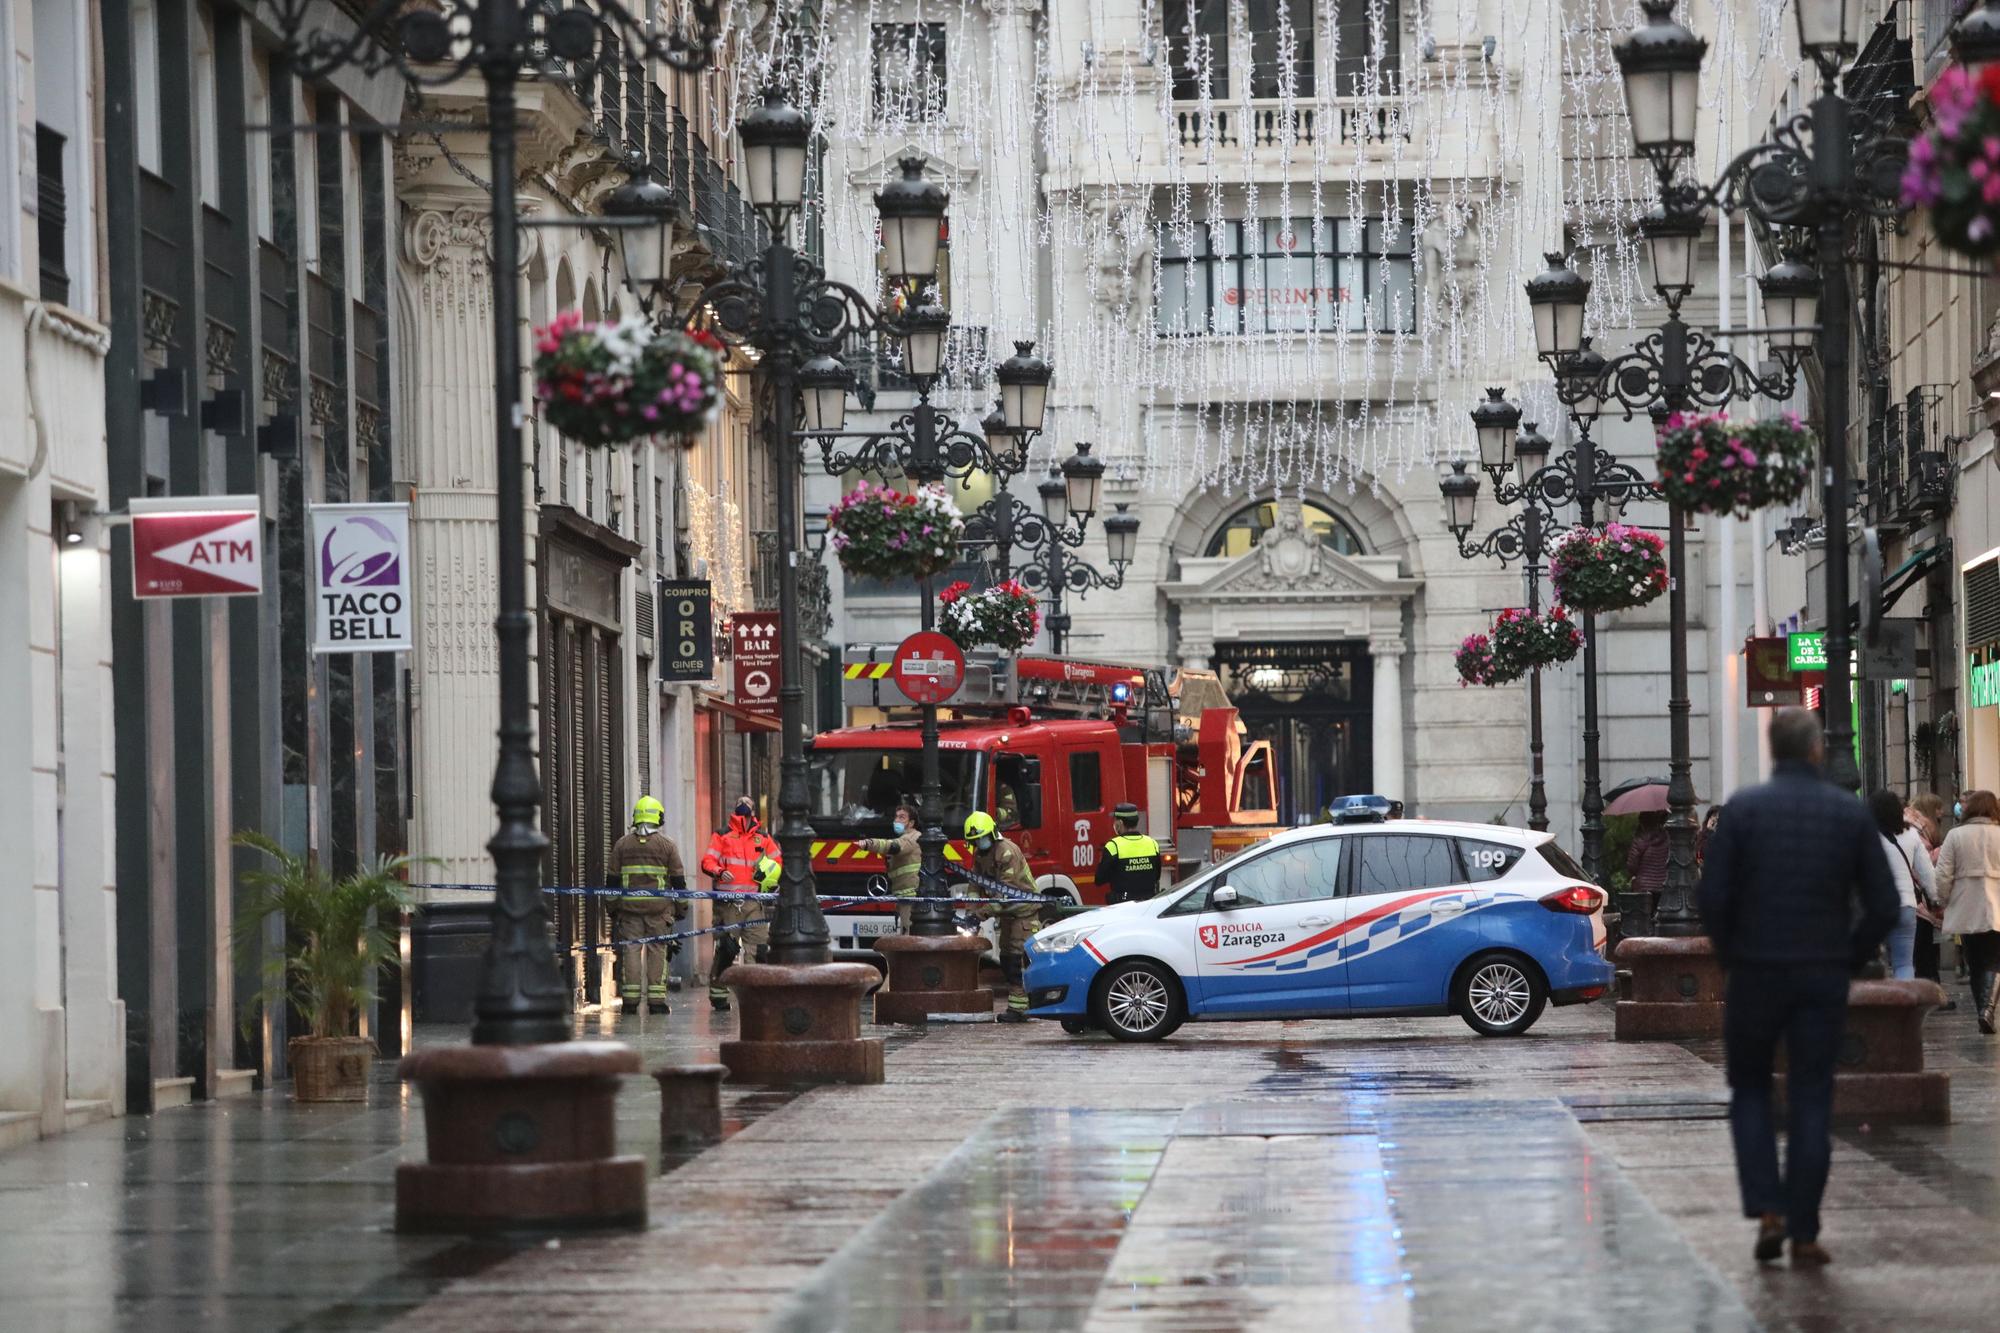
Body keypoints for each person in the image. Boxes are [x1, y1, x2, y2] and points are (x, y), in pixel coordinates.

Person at [1697, 708, 1898, 1268]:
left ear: (1772, 749)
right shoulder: (1847, 813)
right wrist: (1847, 956)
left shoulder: (1742, 812)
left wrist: (1733, 953)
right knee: (1813, 1095)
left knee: (1753, 1092)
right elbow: (1884, 905)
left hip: (1755, 972)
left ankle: (1767, 1210)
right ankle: (1806, 1231)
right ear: (1815, 750)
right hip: (1820, 974)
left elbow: (1712, 898)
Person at [700, 795, 780, 1012]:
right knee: (727, 949)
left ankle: (757, 995)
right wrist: (719, 871)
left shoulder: (762, 838)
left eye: (748, 806)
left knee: (759, 950)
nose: (745, 809)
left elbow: (778, 861)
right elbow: (707, 862)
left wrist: (771, 879)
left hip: (754, 903)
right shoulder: (722, 836)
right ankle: (718, 995)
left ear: (754, 812)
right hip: (728, 904)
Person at [608, 796, 687, 1014]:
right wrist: (682, 909)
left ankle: (630, 1001)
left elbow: (612, 882)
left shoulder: (622, 844)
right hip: (659, 912)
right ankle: (656, 1002)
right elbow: (678, 881)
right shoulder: (667, 846)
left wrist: (612, 908)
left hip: (629, 911)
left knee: (631, 951)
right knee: (657, 951)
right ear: (658, 817)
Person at [965, 811, 1039, 1023]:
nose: (979, 843)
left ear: (992, 833)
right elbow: (974, 885)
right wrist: (970, 912)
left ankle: (1021, 1008)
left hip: (1024, 911)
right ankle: (1020, 1005)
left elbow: (1006, 895)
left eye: (981, 837)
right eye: (974, 840)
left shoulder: (1007, 852)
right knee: (1006, 959)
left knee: (1017, 960)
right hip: (1008, 914)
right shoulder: (980, 854)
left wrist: (980, 914)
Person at [1936, 790, 2000, 1033]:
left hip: (1966, 905)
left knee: (1975, 961)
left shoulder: (1956, 835)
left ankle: (1982, 1010)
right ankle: (1988, 1009)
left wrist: (1941, 899)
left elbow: (1943, 873)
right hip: (1997, 905)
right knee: (1995, 960)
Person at [1870, 790, 1936, 982]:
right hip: (1906, 905)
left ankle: (1877, 1004)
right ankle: (1904, 1007)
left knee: (1873, 962)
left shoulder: (1866, 835)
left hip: (1876, 905)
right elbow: (1927, 874)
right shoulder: (1912, 835)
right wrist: (1936, 897)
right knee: (1904, 963)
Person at [1907, 792, 1949, 992]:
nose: (1943, 812)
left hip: (1912, 900)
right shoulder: (1918, 831)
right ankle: (1927, 992)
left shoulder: (1912, 828)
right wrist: (1943, 851)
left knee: (1915, 951)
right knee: (1922, 950)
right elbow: (1922, 866)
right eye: (1939, 807)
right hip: (1918, 901)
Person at [858, 803, 922, 933]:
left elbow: (894, 846)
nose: (897, 820)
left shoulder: (913, 838)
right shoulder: (906, 837)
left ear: (911, 823)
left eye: (902, 817)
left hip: (911, 897)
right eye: (896, 817)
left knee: (910, 938)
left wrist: (869, 844)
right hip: (904, 897)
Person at [1095, 803, 1162, 904]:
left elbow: (1099, 879)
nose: (1114, 823)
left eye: (1115, 820)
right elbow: (1157, 876)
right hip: (1148, 903)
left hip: (1123, 904)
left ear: (1120, 823)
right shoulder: (1152, 843)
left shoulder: (1113, 846)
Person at [1626, 809, 1668, 897]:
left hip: (1644, 888)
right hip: (1664, 886)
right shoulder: (1667, 838)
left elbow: (1631, 865)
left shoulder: (1640, 839)